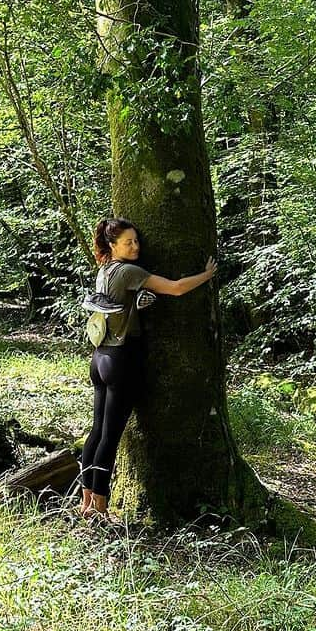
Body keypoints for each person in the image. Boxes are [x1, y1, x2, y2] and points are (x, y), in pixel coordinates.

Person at [79, 216, 218, 520]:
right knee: (109, 437)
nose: (136, 246)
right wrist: (206, 276)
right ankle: (100, 508)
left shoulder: (105, 271)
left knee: (96, 431)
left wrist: (139, 301)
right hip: (120, 360)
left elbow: (119, 303)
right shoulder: (129, 270)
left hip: (100, 358)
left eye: (137, 241)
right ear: (113, 245)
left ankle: (86, 501)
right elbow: (177, 288)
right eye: (128, 242)